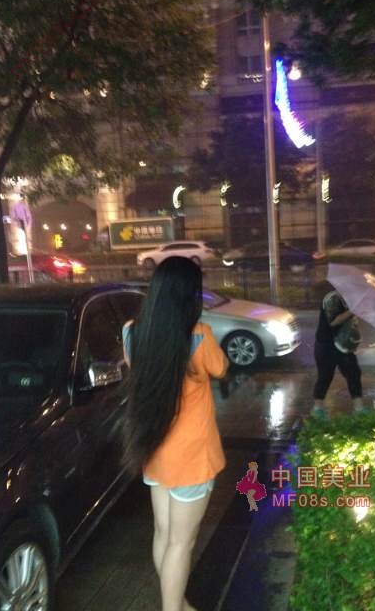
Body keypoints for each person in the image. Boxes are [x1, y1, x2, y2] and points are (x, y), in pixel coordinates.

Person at [121, 257, 228, 611]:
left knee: (165, 534)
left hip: (154, 447)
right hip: (191, 457)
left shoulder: (132, 332)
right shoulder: (199, 336)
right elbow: (221, 368)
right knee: (182, 543)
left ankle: (177, 603)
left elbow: (139, 370)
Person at [312, 290, 364, 418]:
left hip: (343, 343)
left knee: (354, 373)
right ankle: (317, 409)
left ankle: (359, 408)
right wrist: (353, 311)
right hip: (327, 344)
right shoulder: (332, 298)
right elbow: (333, 321)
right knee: (325, 376)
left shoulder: (348, 298)